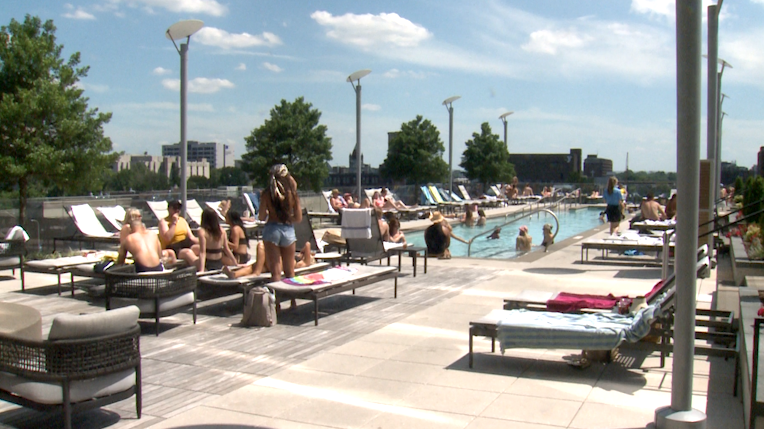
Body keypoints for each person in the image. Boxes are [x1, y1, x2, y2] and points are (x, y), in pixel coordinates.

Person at [259, 164, 302, 282]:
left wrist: (273, 214)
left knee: (276, 272)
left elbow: (261, 217)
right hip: (288, 230)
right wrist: (287, 217)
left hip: (272, 229)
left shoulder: (267, 193)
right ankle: (293, 299)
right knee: (290, 271)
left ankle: (277, 300)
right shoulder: (292, 193)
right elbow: (298, 218)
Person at [180, 207, 237, 272]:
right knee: (194, 248)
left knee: (185, 252)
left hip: (207, 265)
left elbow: (202, 252)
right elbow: (227, 249)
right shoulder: (222, 231)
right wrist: (235, 262)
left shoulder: (202, 231)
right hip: (218, 264)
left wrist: (201, 270)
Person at [223, 241, 316, 279]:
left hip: (277, 264)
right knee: (252, 267)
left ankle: (256, 272)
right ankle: (234, 274)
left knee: (261, 246)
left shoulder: (302, 264)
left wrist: (305, 252)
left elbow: (307, 244)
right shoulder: (296, 259)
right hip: (273, 265)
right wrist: (302, 253)